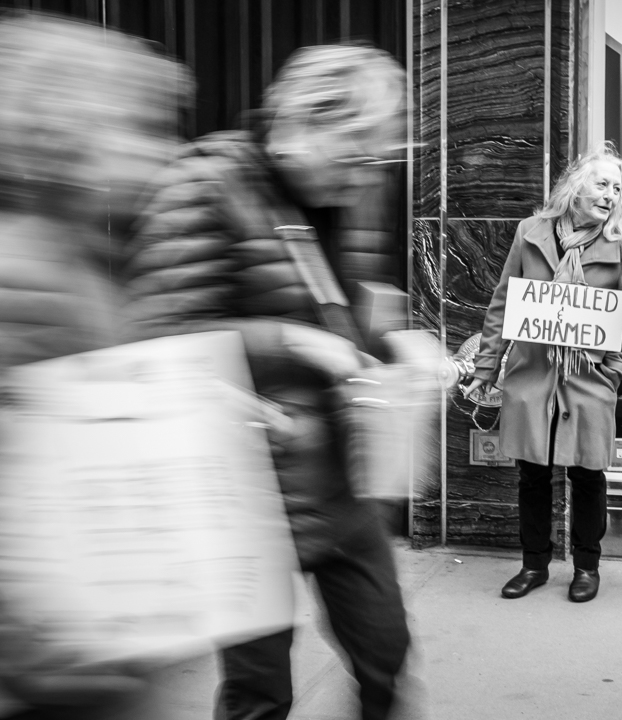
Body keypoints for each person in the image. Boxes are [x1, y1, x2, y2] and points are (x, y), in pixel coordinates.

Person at [125, 45, 410, 720]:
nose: (365, 174)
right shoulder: (201, 182)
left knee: (386, 651)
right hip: (241, 495)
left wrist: (397, 343)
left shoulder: (343, 190)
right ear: (301, 123)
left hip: (341, 482)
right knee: (259, 695)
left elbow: (345, 315)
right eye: (354, 153)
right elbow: (157, 343)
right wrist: (290, 340)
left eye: (375, 157)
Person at [0, 12, 191, 718]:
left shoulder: (77, 260)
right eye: (137, 128)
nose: (162, 153)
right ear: (65, 134)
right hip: (61, 666)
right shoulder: (29, 280)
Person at [463, 144, 622, 604]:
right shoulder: (531, 232)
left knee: (587, 475)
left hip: (588, 379)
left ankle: (586, 567)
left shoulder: (621, 245)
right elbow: (503, 303)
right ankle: (534, 564)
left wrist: (614, 373)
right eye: (602, 184)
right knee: (532, 475)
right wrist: (487, 368)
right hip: (533, 376)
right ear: (576, 186)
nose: (610, 195)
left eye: (617, 189)